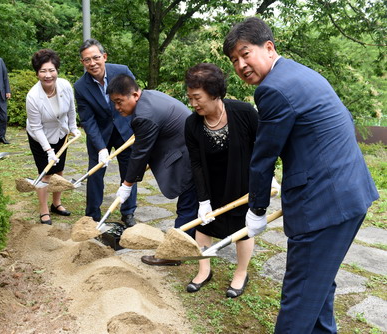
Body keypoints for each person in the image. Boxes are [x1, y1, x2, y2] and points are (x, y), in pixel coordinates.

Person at [223, 17, 379, 333]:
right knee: (317, 286)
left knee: (299, 298)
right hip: (350, 192)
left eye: (245, 54)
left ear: (268, 47)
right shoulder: (299, 73)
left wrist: (256, 210)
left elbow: (263, 158)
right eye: (234, 60)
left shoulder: (272, 89)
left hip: (324, 205)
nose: (241, 65)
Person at [184, 63, 259, 296]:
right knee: (204, 223)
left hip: (242, 182)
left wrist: (267, 179)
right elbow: (196, 162)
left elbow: (263, 148)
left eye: (197, 97)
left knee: (242, 227)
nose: (193, 103)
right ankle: (204, 270)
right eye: (190, 98)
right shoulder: (192, 124)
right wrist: (203, 200)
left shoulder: (244, 113)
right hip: (211, 181)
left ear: (215, 93)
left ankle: (240, 273)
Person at [107, 74, 198, 266]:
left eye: (119, 101)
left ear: (134, 95)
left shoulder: (144, 116)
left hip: (190, 155)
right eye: (114, 102)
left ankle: (173, 254)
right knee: (191, 205)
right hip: (186, 147)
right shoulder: (149, 96)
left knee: (187, 206)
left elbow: (140, 153)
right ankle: (190, 242)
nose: (117, 107)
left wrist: (126, 185)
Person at [74, 39, 137, 227]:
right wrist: (101, 148)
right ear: (82, 63)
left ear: (104, 56)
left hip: (125, 129)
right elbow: (88, 120)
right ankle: (92, 214)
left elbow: (136, 98)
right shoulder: (80, 87)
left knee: (129, 173)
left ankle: (128, 212)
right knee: (95, 174)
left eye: (95, 58)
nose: (92, 63)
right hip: (99, 134)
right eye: (87, 60)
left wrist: (139, 127)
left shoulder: (122, 71)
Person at [26, 49, 81, 225]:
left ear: (57, 70)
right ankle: (43, 210)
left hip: (61, 133)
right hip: (40, 136)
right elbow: (36, 126)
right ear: (37, 73)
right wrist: (48, 150)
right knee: (45, 174)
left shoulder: (65, 85)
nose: (48, 75)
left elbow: (71, 109)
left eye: (51, 70)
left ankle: (56, 203)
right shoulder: (33, 97)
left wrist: (73, 127)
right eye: (43, 71)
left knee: (59, 170)